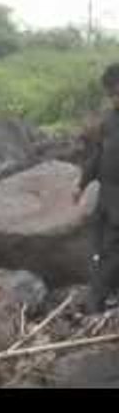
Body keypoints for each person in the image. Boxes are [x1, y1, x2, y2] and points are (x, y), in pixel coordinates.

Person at [74, 63, 119, 314]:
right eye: (110, 94)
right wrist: (81, 183)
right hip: (106, 196)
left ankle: (97, 303)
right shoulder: (111, 120)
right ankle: (101, 297)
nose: (114, 99)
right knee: (98, 248)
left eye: (116, 92)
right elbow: (99, 154)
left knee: (113, 250)